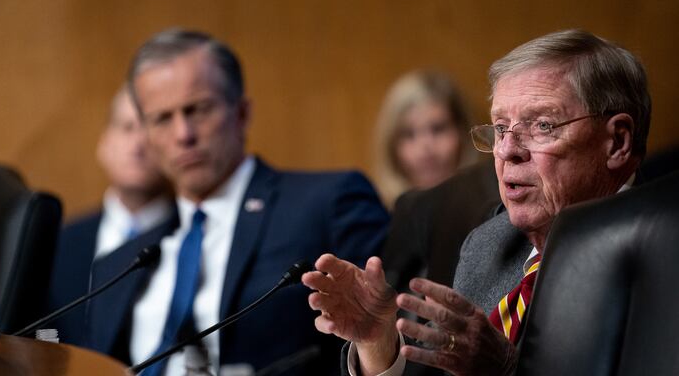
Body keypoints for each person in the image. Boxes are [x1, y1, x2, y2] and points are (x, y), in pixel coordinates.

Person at [302, 29, 650, 376]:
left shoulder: (663, 257)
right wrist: (379, 342)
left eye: (543, 125)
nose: (507, 151)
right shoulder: (489, 243)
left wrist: (507, 370)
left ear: (617, 142)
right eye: (500, 128)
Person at [85, 29, 389, 375]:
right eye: (162, 119)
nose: (183, 134)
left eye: (197, 110)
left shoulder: (326, 204)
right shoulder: (117, 267)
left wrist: (376, 348)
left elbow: (394, 337)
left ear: (242, 113)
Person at [47, 86, 175, 345]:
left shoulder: (197, 240)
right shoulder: (58, 244)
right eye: (127, 127)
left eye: (150, 129)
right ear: (104, 144)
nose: (138, 144)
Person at [373, 71, 476, 208]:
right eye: (408, 134)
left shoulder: (495, 213)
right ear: (391, 146)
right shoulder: (381, 221)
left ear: (464, 133)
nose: (425, 146)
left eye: (438, 129)